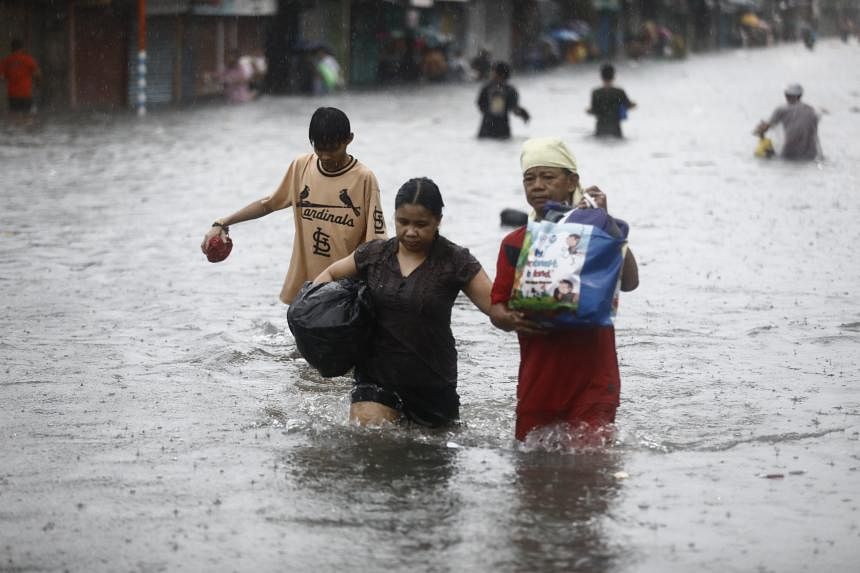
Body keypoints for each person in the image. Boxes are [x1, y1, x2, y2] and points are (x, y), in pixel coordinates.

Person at [489, 137, 639, 443]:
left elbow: (630, 282)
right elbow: (497, 307)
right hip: (539, 378)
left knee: (593, 470)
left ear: (572, 182)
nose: (538, 186)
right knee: (532, 475)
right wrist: (510, 319)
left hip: (594, 378)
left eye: (548, 177)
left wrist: (606, 226)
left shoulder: (596, 236)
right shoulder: (516, 243)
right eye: (529, 179)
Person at [314, 177, 493, 428]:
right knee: (371, 437)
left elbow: (496, 307)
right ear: (394, 217)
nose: (410, 231)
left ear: (438, 220)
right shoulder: (374, 254)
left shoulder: (456, 261)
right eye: (403, 222)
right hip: (375, 375)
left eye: (421, 224)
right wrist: (313, 311)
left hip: (432, 380)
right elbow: (330, 275)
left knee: (428, 456)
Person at [200, 107, 387, 304]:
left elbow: (376, 242)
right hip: (305, 287)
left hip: (345, 290)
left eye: (332, 148)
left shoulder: (364, 178)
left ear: (349, 139)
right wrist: (222, 222)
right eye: (319, 148)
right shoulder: (301, 166)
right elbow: (268, 204)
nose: (325, 156)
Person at [754, 83, 821, 161]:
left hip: (790, 151)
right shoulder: (811, 110)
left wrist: (759, 133)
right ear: (800, 96)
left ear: (786, 95)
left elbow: (764, 127)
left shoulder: (782, 109)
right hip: (812, 153)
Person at [476, 61, 530, 139]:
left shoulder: (487, 88)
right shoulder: (510, 89)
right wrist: (523, 114)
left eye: (493, 72)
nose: (491, 74)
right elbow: (514, 108)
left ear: (499, 74)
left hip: (487, 127)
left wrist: (488, 113)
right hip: (502, 128)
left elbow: (480, 104)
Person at [587, 63, 636, 138]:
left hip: (600, 127)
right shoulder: (619, 92)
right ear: (613, 76)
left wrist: (588, 110)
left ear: (601, 76)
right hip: (615, 128)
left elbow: (594, 110)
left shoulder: (596, 92)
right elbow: (628, 105)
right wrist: (633, 104)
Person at [0, 39, 40, 116]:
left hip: (12, 94)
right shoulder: (28, 59)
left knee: (15, 117)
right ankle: (23, 127)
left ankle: (16, 127)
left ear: (11, 48)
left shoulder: (6, 61)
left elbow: (1, 77)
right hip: (25, 93)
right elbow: (37, 74)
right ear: (22, 48)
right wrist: (37, 84)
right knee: (27, 117)